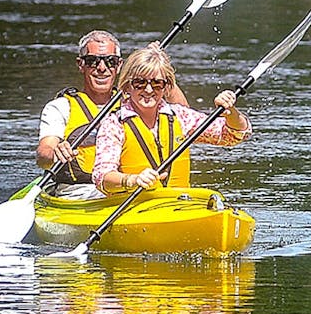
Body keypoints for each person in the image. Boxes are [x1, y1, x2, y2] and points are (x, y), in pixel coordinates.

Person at [36, 31, 186, 200]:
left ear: (119, 65)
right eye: (93, 61)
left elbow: (180, 118)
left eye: (110, 61)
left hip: (132, 188)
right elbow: (43, 154)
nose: (102, 68)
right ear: (81, 64)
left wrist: (159, 70)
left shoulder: (135, 101)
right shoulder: (61, 107)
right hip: (80, 193)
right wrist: (55, 152)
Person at [91, 44, 249, 197]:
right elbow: (102, 177)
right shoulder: (114, 124)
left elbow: (234, 135)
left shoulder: (180, 116)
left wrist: (230, 112)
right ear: (127, 87)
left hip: (177, 204)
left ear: (166, 87)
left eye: (156, 83)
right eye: (139, 83)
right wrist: (132, 180)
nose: (148, 90)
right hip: (132, 207)